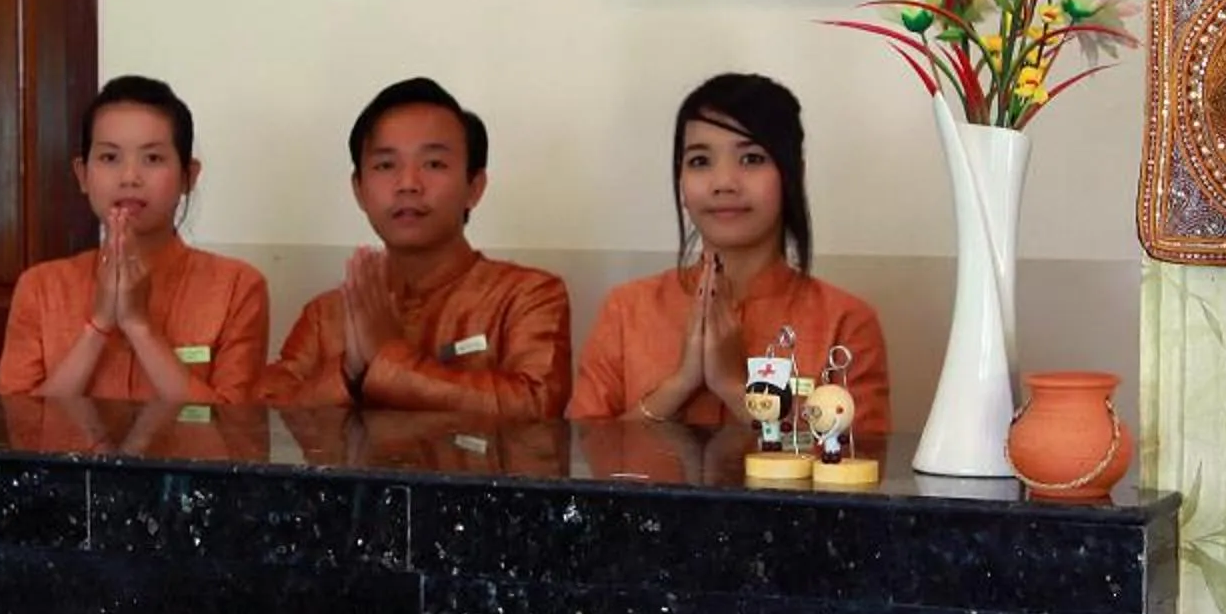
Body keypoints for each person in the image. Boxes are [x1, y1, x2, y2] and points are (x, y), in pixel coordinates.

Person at [568, 73, 892, 432]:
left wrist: (735, 387)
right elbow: (584, 460)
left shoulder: (845, 323)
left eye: (752, 159)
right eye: (700, 161)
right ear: (681, 181)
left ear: (792, 173)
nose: (723, 183)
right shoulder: (626, 310)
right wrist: (677, 386)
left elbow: (856, 468)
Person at [258, 76, 571, 417]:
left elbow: (536, 409)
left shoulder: (527, 296)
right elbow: (267, 421)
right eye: (385, 165)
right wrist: (348, 371)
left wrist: (387, 358)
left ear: (474, 187)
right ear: (359, 190)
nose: (408, 184)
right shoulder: (327, 314)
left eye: (434, 164)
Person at [0, 76, 268, 405]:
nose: (129, 178)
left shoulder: (237, 288)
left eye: (152, 158)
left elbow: (230, 435)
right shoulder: (40, 288)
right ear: (83, 175)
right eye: (110, 158)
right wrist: (99, 325)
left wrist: (140, 327)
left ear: (188, 177)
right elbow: (19, 430)